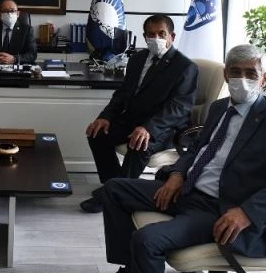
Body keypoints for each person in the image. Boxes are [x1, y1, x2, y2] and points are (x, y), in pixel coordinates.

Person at [87, 44, 266, 273]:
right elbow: (196, 149)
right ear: (225, 75)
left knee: (147, 240)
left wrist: (247, 212)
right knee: (114, 189)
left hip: (220, 208)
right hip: (188, 191)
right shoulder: (219, 107)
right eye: (235, 72)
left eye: (251, 74)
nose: (242, 80)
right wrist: (177, 174)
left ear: (264, 79)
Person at [80, 14, 198, 214]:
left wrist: (148, 128)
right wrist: (105, 117)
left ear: (172, 36)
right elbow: (123, 94)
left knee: (139, 145)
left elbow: (179, 107)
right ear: (144, 37)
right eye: (151, 34)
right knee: (96, 133)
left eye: (162, 34)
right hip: (133, 119)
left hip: (164, 126)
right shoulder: (137, 59)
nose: (156, 38)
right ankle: (112, 185)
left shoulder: (186, 67)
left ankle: (112, 195)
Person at [0, 0, 37, 64]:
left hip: (17, 67)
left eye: (12, 11)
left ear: (18, 14)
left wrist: (14, 59)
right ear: (0, 14)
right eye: (5, 11)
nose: (9, 14)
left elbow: (32, 54)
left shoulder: (27, 30)